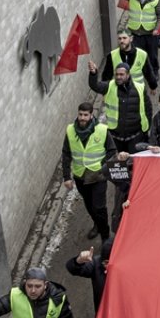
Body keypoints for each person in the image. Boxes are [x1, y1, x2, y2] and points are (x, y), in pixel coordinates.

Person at [61, 103, 116, 240]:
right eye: (80, 114)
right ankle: (97, 224)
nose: (82, 118)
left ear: (91, 115)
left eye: (86, 115)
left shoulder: (102, 130)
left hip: (98, 176)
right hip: (81, 176)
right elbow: (66, 153)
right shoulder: (70, 131)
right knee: (90, 205)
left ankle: (105, 235)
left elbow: (111, 150)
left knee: (99, 207)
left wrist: (102, 165)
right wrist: (66, 176)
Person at [86, 61, 152, 153]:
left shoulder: (140, 88)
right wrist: (93, 73)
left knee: (134, 162)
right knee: (118, 164)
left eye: (121, 74)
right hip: (115, 137)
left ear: (128, 75)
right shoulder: (109, 86)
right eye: (116, 74)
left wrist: (146, 129)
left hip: (135, 136)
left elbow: (148, 109)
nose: (118, 77)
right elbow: (95, 85)